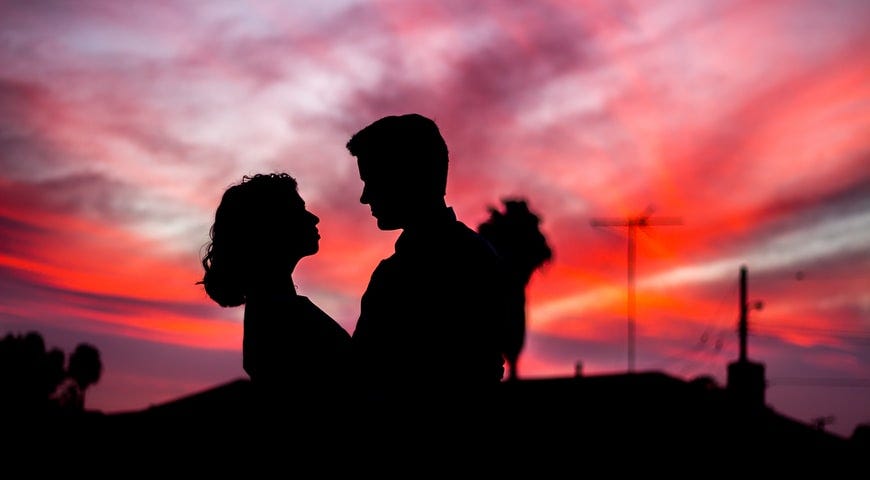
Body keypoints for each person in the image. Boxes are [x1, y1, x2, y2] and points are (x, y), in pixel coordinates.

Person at [345, 113, 509, 418]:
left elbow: (365, 376)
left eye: (372, 181)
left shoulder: (401, 274)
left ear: (409, 177)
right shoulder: (479, 255)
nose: (365, 197)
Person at [199, 173, 352, 422]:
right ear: (271, 226)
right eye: (299, 210)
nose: (314, 218)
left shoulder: (273, 311)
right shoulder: (283, 318)